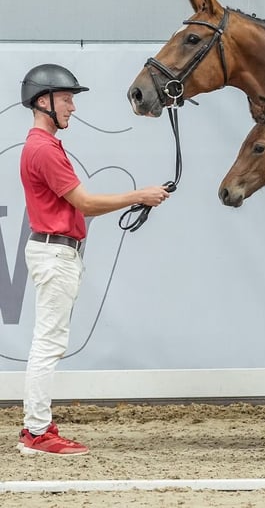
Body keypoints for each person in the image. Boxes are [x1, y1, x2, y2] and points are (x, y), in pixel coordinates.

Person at [17, 63, 171, 456]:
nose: (72, 106)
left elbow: (81, 207)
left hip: (56, 249)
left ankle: (37, 426)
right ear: (43, 101)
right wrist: (139, 195)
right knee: (48, 344)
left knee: (48, 341)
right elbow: (84, 203)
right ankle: (36, 432)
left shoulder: (45, 146)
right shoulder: (43, 149)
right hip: (56, 252)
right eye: (66, 99)